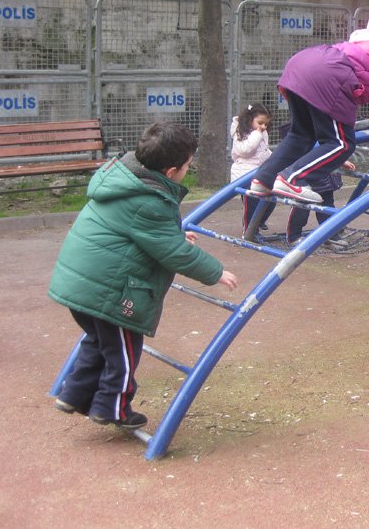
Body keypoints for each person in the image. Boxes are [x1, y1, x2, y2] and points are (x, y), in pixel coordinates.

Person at [48, 122, 239, 430]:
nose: (188, 171)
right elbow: (173, 252)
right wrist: (216, 272)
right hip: (110, 292)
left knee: (98, 342)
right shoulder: (150, 201)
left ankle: (74, 395)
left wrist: (174, 235)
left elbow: (136, 231)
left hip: (81, 284)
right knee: (123, 354)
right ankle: (112, 408)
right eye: (187, 167)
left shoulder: (127, 178)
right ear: (171, 171)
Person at [249, 16, 369, 204]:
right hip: (328, 77)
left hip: (300, 67)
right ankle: (292, 179)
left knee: (301, 135)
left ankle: (263, 179)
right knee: (342, 144)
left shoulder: (366, 41)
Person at [285, 160, 356, 246]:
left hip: (326, 175)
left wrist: (341, 160)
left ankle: (329, 234)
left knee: (327, 207)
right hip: (307, 177)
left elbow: (331, 152)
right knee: (301, 207)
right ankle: (294, 236)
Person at [230, 102, 275, 236]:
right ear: (250, 120)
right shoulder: (240, 132)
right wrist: (257, 134)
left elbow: (263, 151)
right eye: (260, 123)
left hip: (258, 173)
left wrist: (274, 159)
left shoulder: (261, 132)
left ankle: (258, 222)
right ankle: (249, 230)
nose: (263, 126)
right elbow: (245, 150)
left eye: (265, 124)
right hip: (244, 174)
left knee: (271, 199)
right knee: (252, 203)